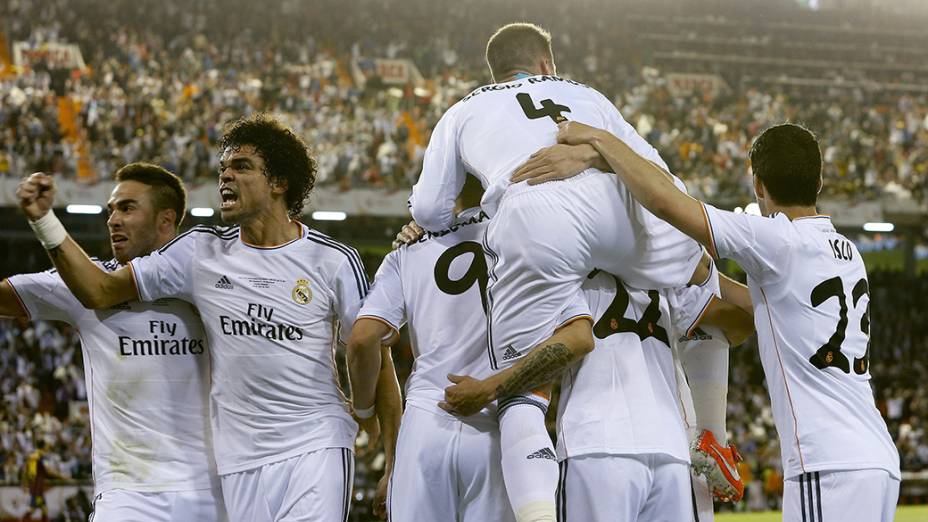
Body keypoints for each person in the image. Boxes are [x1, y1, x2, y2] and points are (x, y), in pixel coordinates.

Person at [15, 114, 401, 521]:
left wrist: (392, 463)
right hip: (236, 461)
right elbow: (99, 290)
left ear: (279, 183)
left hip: (315, 442)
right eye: (223, 168)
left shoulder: (332, 260)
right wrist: (45, 221)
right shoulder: (199, 252)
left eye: (242, 167)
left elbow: (376, 355)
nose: (225, 177)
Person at [515, 121, 902, 521]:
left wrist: (602, 142)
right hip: (876, 455)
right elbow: (762, 306)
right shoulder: (848, 254)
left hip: (829, 461)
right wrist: (704, 277)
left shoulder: (777, 241)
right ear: (819, 181)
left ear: (758, 186)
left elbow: (667, 203)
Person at [407, 22, 712, 521]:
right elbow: (662, 178)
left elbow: (430, 210)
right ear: (548, 64)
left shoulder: (463, 109)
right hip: (620, 210)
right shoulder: (589, 96)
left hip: (536, 215)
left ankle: (535, 514)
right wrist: (594, 153)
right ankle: (712, 423)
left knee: (523, 388)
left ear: (496, 70)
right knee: (696, 267)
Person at [350, 176, 589, 521]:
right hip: (501, 428)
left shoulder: (409, 248)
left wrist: (366, 415)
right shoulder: (532, 241)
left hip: (426, 424)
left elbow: (362, 340)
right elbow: (578, 337)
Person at [2, 163, 225, 521]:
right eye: (111, 210)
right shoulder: (84, 282)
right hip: (128, 498)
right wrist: (43, 220)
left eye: (127, 208)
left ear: (165, 220)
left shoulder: (213, 287)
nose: (112, 220)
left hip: (213, 495)